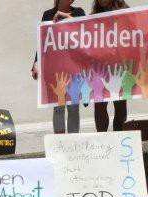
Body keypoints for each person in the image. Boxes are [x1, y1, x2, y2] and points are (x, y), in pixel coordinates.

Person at [33, 1, 86, 134]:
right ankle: (60, 141)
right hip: (56, 67)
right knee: (58, 106)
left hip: (74, 67)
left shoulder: (79, 12)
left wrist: (63, 15)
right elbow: (43, 40)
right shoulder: (47, 15)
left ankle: (73, 140)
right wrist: (35, 63)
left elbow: (85, 29)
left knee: (73, 106)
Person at [91, 0, 129, 132]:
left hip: (120, 66)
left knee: (120, 104)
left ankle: (118, 136)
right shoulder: (93, 16)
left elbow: (134, 34)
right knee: (100, 104)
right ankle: (103, 138)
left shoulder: (126, 11)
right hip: (100, 67)